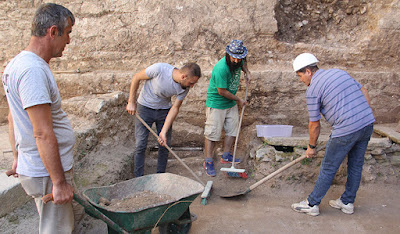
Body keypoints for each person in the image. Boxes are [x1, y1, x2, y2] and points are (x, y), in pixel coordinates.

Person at [2, 3, 77, 233]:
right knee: (56, 230)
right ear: (53, 31)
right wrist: (59, 182)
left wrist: (18, 157)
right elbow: (42, 132)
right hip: (46, 172)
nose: (68, 41)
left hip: (36, 165)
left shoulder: (17, 64)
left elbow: (13, 116)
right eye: (68, 33)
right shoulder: (32, 71)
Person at [291, 53, 375, 216]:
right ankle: (347, 202)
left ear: (308, 71)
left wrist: (311, 147)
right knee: (356, 164)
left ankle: (312, 203)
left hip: (346, 130)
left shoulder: (313, 90)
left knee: (328, 167)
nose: (301, 80)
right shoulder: (339, 72)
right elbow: (363, 90)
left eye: (300, 76)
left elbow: (314, 124)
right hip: (366, 124)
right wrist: (365, 112)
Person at [126, 62, 201, 177]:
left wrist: (163, 131)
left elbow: (175, 107)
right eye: (191, 83)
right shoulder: (159, 69)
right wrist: (131, 102)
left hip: (164, 111)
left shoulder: (184, 87)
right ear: (183, 77)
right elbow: (136, 77)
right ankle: (138, 177)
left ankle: (160, 176)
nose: (191, 86)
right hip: (145, 108)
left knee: (164, 144)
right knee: (140, 144)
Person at [203, 40, 251, 177]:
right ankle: (208, 161)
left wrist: (247, 72)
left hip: (230, 103)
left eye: (239, 57)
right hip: (217, 103)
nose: (236, 60)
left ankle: (226, 155)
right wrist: (239, 100)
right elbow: (222, 91)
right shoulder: (221, 68)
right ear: (228, 54)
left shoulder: (239, 60)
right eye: (234, 57)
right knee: (212, 134)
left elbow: (243, 64)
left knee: (232, 129)